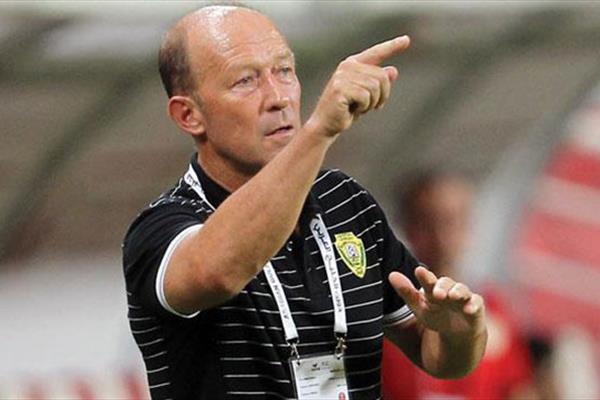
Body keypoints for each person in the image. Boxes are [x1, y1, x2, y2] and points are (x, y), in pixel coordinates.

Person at [122, 5, 487, 399]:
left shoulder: (346, 202)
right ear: (189, 115)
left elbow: (437, 356)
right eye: (245, 81)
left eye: (284, 71)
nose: (278, 97)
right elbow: (218, 272)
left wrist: (461, 334)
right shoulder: (161, 229)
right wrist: (319, 130)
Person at [382, 170, 532, 399]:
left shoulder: (494, 311)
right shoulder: (385, 307)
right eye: (428, 221)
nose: (441, 235)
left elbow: (518, 388)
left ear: (469, 226)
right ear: (407, 225)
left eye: (452, 220)